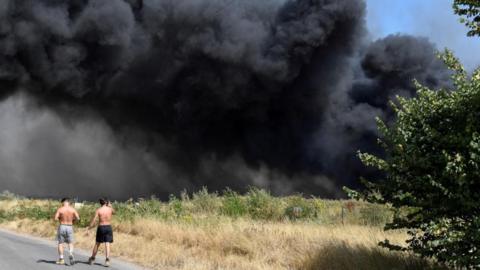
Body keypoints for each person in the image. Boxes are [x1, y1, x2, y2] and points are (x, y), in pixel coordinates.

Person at [88, 198, 115, 267]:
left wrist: (89, 227)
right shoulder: (110, 209)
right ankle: (107, 260)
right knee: (107, 243)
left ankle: (92, 258)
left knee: (97, 243)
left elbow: (94, 220)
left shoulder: (99, 210)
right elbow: (114, 212)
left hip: (101, 227)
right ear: (106, 202)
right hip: (108, 227)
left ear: (100, 203)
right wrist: (110, 206)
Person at [53, 197, 80, 265]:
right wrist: (73, 221)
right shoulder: (73, 209)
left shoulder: (60, 209)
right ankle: (70, 253)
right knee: (70, 242)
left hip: (62, 226)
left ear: (65, 202)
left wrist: (60, 218)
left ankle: (61, 259)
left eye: (62, 202)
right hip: (70, 226)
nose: (62, 203)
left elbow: (55, 218)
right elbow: (78, 218)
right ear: (69, 202)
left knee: (60, 243)